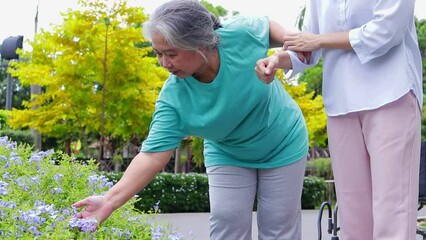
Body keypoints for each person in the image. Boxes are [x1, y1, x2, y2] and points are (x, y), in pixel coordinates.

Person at [72, 0, 309, 239]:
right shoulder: (174, 98)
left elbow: (266, 27)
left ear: (200, 44)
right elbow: (152, 155)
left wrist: (292, 40)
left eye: (171, 54)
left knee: (278, 226)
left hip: (282, 142)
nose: (164, 64)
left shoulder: (239, 35)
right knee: (227, 222)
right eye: (158, 54)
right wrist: (109, 201)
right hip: (228, 153)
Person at [255, 0, 423, 239]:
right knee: (353, 215)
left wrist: (320, 40)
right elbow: (306, 46)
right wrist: (276, 60)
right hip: (341, 104)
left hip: (391, 95)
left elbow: (387, 31)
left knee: (392, 210)